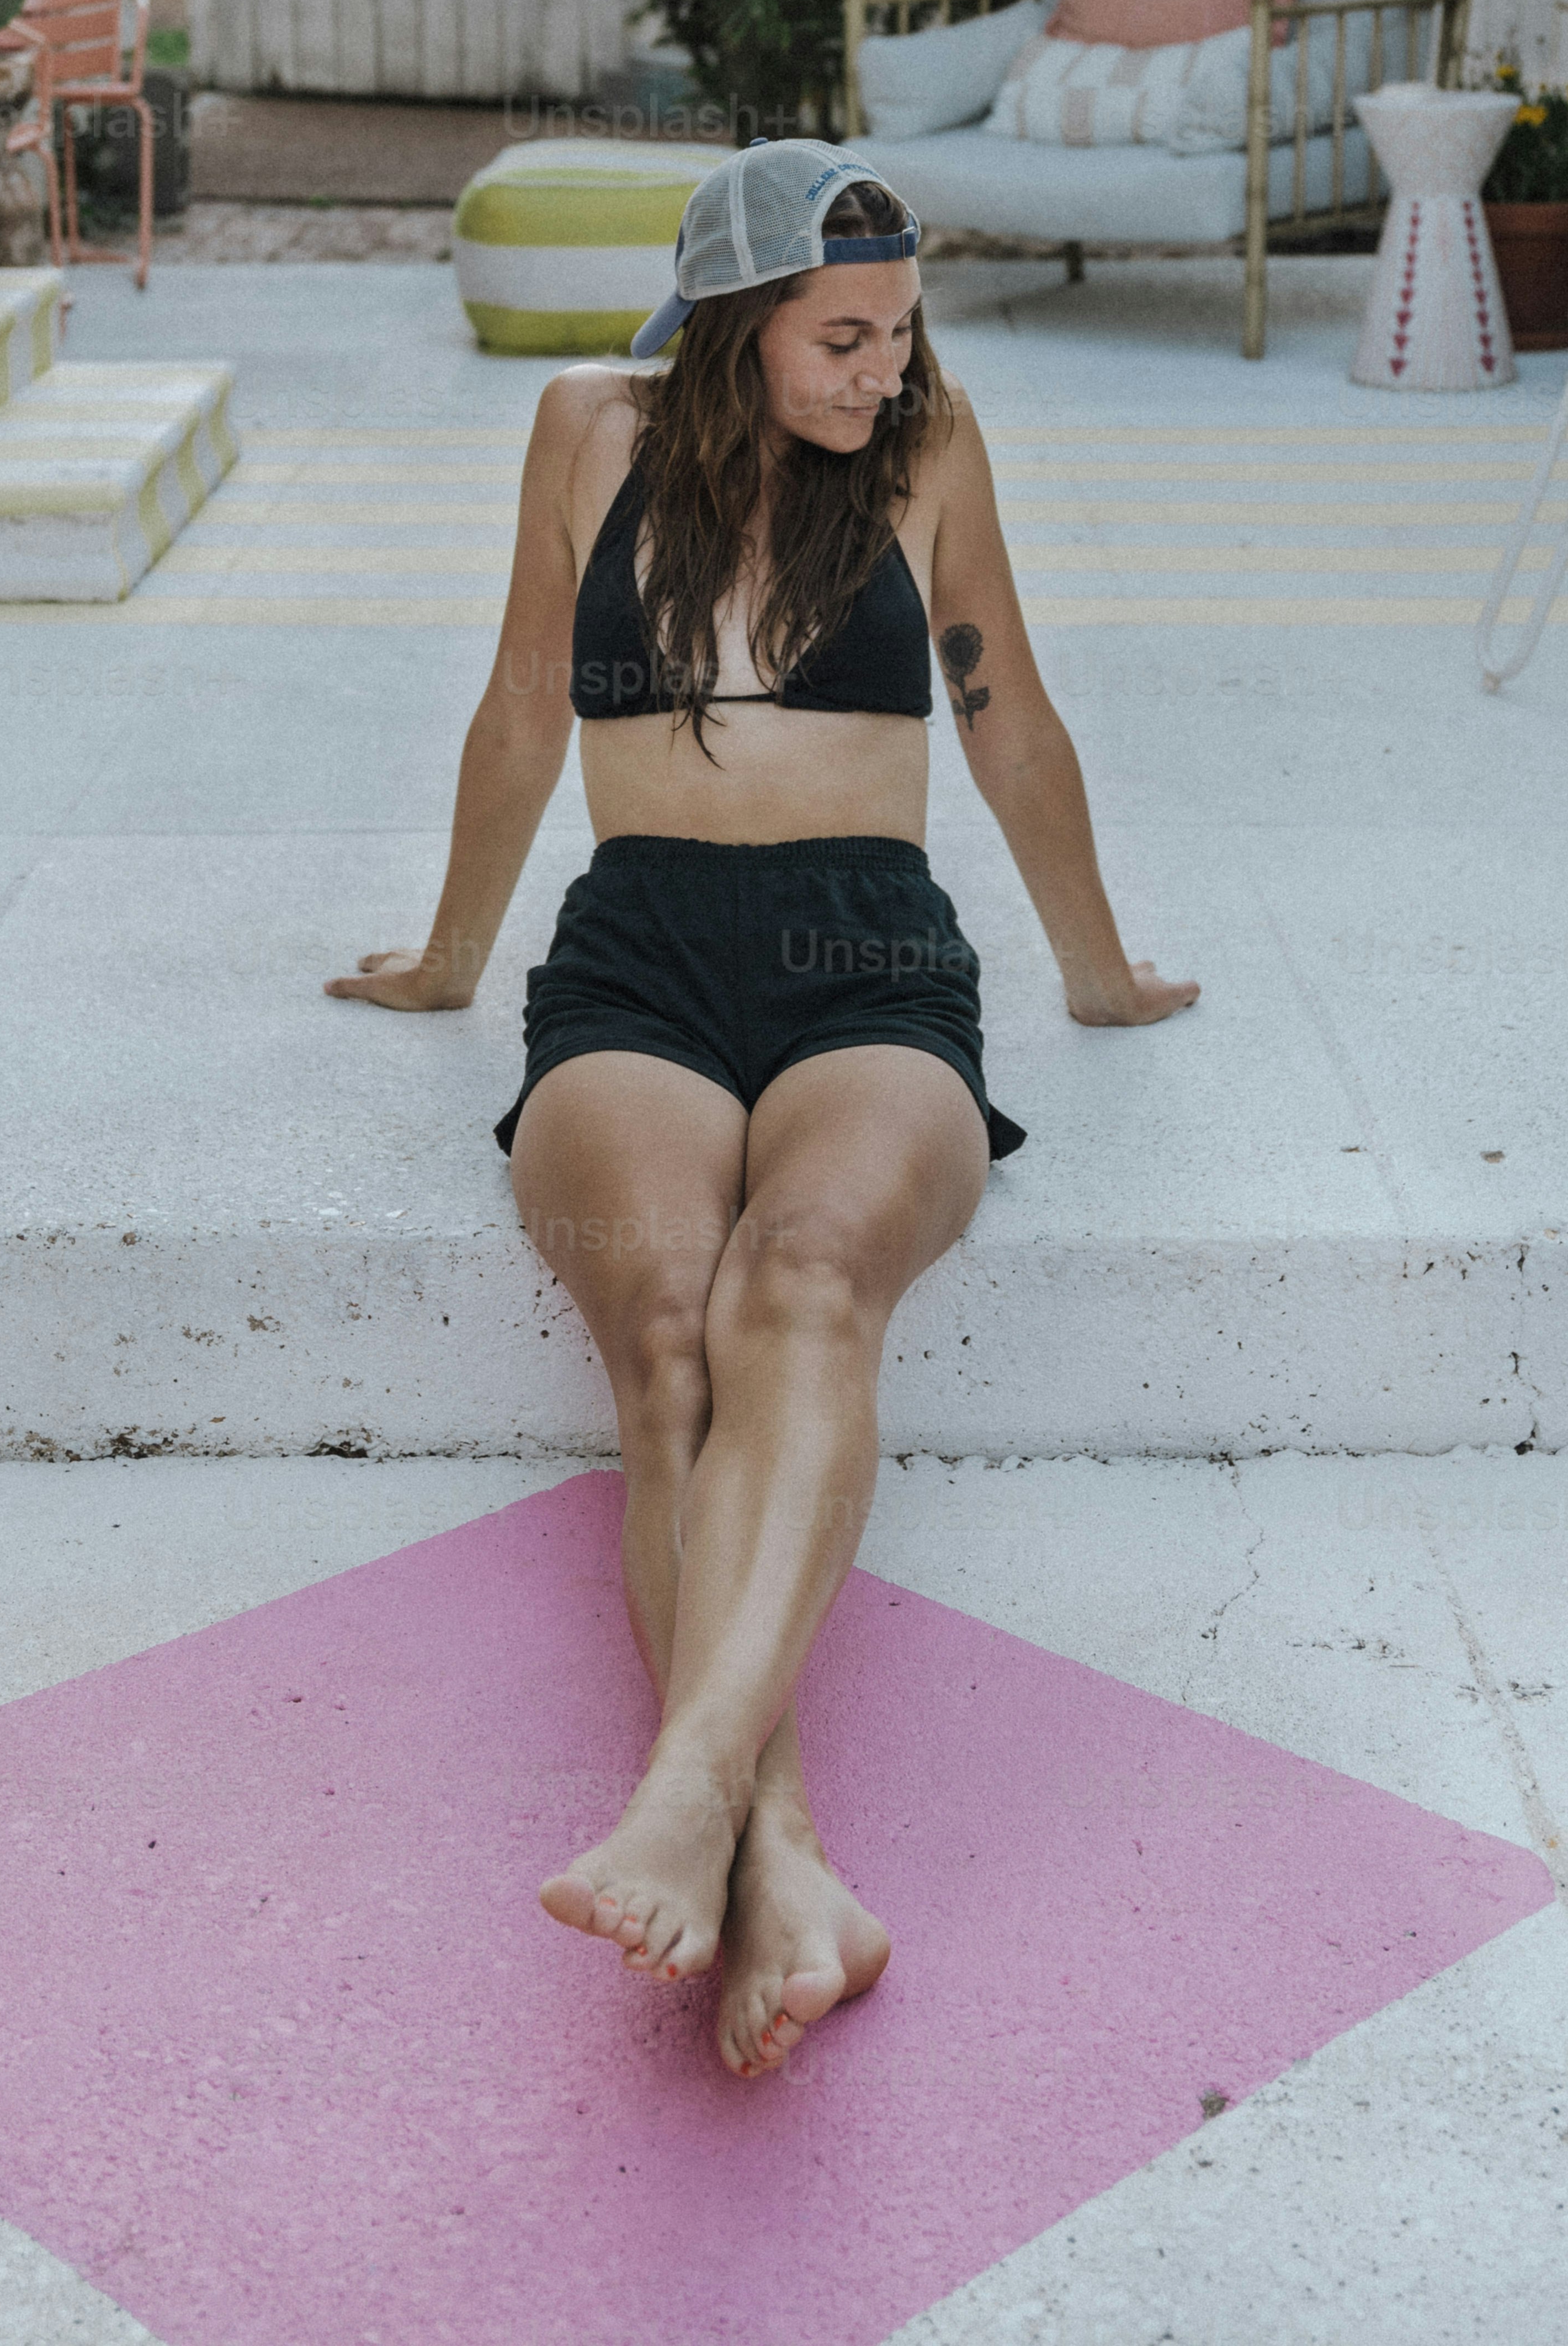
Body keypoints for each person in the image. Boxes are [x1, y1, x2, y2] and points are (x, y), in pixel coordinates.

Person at [329, 142, 1196, 2078]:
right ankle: (781, 1853)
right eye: (840, 335)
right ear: (734, 320)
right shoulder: (582, 429)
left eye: (899, 333)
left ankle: (690, 1797)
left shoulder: (927, 447)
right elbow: (520, 715)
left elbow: (1007, 714)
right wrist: (455, 963)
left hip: (868, 956)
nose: (881, 369)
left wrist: (1097, 971)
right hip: (636, 957)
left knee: (798, 1281)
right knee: (663, 1340)